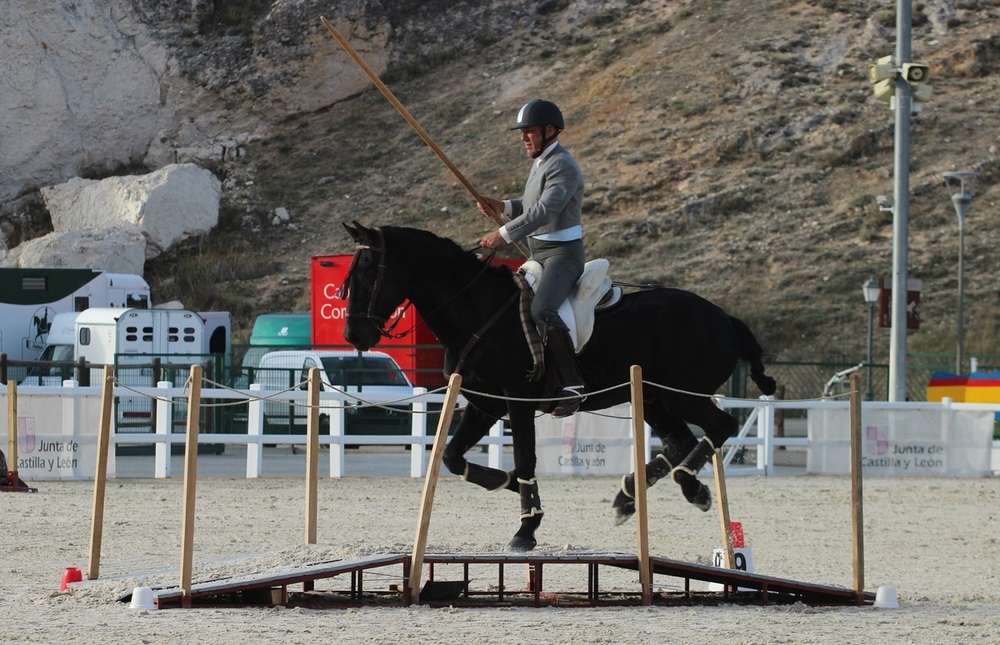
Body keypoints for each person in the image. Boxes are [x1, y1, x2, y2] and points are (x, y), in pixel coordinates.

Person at [477, 99, 586, 417]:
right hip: (538, 253)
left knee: (542, 309)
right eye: (522, 132)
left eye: (529, 132)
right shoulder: (541, 162)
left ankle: (573, 385)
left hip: (563, 255)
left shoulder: (563, 165)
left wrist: (503, 234)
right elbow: (529, 204)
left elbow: (545, 210)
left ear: (549, 131)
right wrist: (502, 206)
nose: (523, 137)